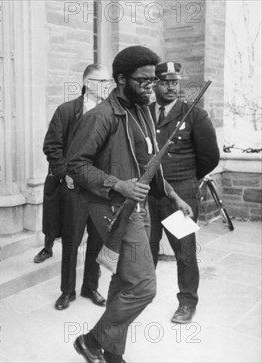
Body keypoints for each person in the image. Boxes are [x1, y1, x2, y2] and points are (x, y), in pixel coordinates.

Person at [67, 46, 192, 363]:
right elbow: (76, 166)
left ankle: (111, 350)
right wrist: (118, 184)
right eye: (144, 81)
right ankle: (92, 340)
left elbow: (149, 162)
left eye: (154, 80)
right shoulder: (101, 117)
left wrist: (173, 196)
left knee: (124, 280)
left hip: (141, 205)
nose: (151, 86)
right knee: (144, 286)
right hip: (115, 208)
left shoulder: (141, 110)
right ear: (121, 79)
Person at [148, 61, 219, 324]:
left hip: (180, 194)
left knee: (184, 251)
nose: (169, 87)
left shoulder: (194, 114)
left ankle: (187, 302)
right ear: (154, 84)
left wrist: (187, 180)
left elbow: (210, 157)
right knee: (146, 245)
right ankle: (140, 293)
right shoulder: (144, 112)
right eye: (164, 82)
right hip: (149, 192)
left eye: (174, 82)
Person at [38, 64, 112, 311]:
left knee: (98, 241)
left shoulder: (112, 113)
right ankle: (67, 291)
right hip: (75, 189)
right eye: (102, 81)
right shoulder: (67, 111)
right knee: (71, 242)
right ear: (88, 82)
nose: (107, 86)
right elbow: (52, 146)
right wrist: (65, 173)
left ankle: (90, 287)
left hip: (101, 190)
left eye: (108, 81)